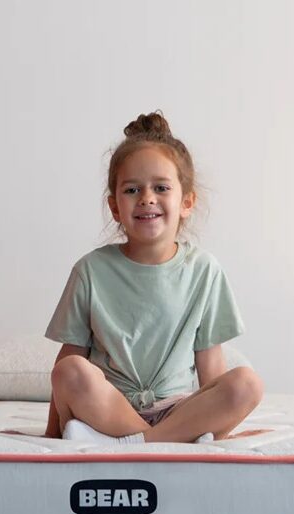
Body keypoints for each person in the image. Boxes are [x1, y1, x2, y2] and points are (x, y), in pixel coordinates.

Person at [43, 110, 264, 446]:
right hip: (110, 410)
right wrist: (50, 434)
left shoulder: (204, 271)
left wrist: (219, 419)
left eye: (161, 187)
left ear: (186, 201)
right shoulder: (90, 271)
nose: (147, 198)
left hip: (177, 410)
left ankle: (139, 443)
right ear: (115, 207)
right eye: (132, 190)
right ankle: (159, 442)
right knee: (69, 370)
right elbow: (67, 361)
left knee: (247, 383)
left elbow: (211, 366)